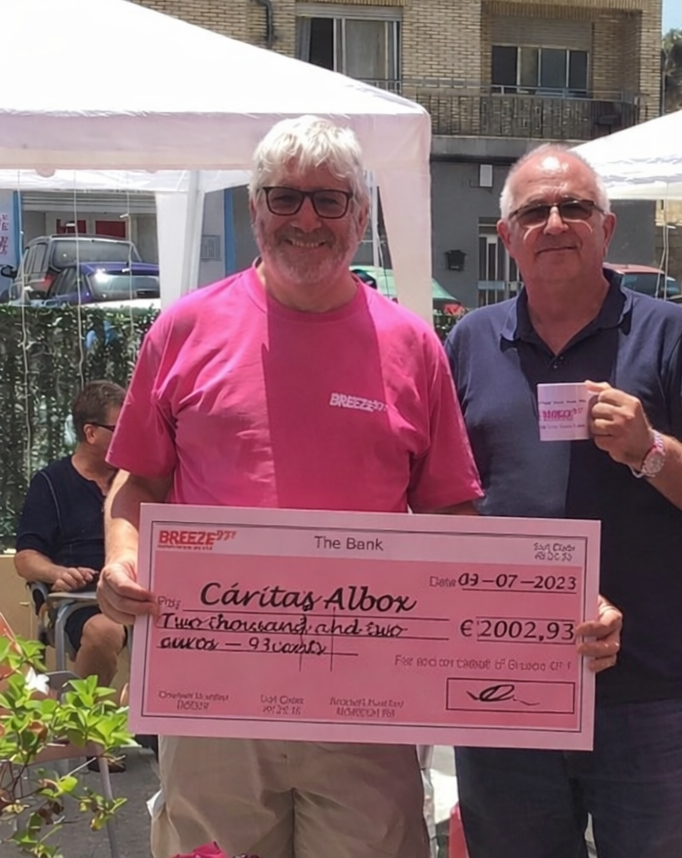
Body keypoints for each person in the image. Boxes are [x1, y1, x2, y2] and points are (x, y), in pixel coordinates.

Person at [95, 115, 489, 858]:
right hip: (213, 693)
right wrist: (122, 555)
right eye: (286, 198)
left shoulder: (413, 345)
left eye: (330, 200)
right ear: (256, 209)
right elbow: (138, 478)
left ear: (360, 216)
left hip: (366, 696)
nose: (307, 219)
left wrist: (521, 614)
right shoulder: (182, 329)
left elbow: (450, 509)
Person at [444, 144, 682, 858]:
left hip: (649, 692)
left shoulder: (671, 334)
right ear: (507, 237)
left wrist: (651, 450)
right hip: (506, 686)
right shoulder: (469, 342)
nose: (555, 223)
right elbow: (442, 502)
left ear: (607, 228)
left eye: (575, 207)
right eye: (535, 212)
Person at [15, 380, 127, 688]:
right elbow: (25, 558)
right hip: (81, 602)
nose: (130, 437)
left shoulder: (138, 482)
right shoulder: (50, 483)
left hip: (138, 595)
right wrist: (59, 573)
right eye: (120, 429)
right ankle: (78, 717)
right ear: (90, 433)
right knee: (104, 631)